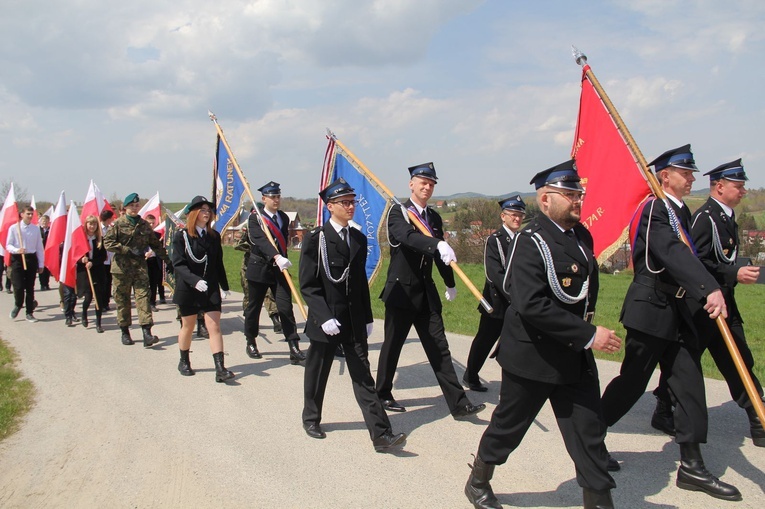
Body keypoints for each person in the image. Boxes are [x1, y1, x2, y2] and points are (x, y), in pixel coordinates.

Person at [465, 160, 620, 509]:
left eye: (579, 193)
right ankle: (478, 480)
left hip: (574, 358)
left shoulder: (582, 237)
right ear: (546, 199)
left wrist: (584, 335)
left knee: (588, 434)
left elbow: (582, 293)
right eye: (569, 194)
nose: (577, 200)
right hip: (532, 357)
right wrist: (588, 333)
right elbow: (530, 303)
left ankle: (599, 502)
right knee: (508, 427)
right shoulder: (530, 241)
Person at [600, 145, 741, 501]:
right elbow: (672, 254)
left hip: (678, 314)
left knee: (690, 384)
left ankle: (692, 467)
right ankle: (590, 436)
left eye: (691, 172)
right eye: (685, 172)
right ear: (665, 176)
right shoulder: (655, 210)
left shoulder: (678, 211)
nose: (692, 177)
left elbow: (691, 259)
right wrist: (708, 288)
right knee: (632, 382)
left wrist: (712, 284)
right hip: (651, 309)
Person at [649, 158, 764, 447]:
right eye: (739, 186)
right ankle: (664, 408)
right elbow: (694, 264)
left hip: (724, 303)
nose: (744, 192)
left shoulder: (726, 218)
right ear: (720, 186)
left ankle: (757, 419)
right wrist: (732, 271)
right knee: (685, 366)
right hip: (702, 308)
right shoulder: (706, 218)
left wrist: (733, 273)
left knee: (739, 360)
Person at [299, 178, 406, 451]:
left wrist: (367, 317)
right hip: (326, 321)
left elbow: (359, 283)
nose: (351, 207)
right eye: (344, 202)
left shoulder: (357, 237)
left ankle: (381, 435)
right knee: (318, 371)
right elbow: (308, 286)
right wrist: (324, 317)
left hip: (353, 319)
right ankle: (311, 417)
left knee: (363, 377)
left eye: (352, 202)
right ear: (330, 206)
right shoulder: (316, 240)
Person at [376, 162, 484, 418]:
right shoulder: (398, 212)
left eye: (431, 184)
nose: (427, 187)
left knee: (439, 347)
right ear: (411, 184)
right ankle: (382, 393)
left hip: (426, 292)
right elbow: (407, 238)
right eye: (423, 182)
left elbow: (442, 256)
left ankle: (459, 404)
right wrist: (436, 244)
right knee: (392, 346)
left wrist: (450, 282)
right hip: (401, 291)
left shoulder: (433, 217)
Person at [463, 195, 525, 392]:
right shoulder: (495, 240)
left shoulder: (524, 240)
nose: (517, 219)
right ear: (503, 216)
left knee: (516, 343)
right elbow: (494, 274)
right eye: (513, 215)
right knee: (485, 341)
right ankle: (471, 375)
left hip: (519, 302)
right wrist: (513, 294)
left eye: (520, 215)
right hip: (497, 302)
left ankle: (515, 382)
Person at [171, 196, 234, 383]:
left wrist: (224, 286)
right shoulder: (181, 237)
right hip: (188, 288)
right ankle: (184, 361)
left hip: (209, 287)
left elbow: (217, 263)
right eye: (203, 210)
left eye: (209, 210)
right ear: (194, 213)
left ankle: (220, 368)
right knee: (188, 327)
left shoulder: (213, 237)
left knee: (214, 326)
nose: (207, 214)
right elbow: (178, 264)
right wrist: (194, 281)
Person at [243, 181, 305, 364]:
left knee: (285, 307)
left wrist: (283, 258)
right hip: (259, 268)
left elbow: (282, 241)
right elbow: (260, 241)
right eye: (272, 197)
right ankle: (251, 341)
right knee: (254, 308)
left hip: (279, 271)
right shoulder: (255, 218)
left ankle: (293, 346)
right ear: (264, 199)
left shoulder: (284, 218)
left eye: (278, 196)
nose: (276, 200)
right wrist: (276, 256)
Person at [103, 193, 168, 347]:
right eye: (131, 206)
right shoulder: (118, 224)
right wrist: (125, 250)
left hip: (140, 269)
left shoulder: (144, 225)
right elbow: (108, 243)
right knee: (123, 301)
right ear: (125, 208)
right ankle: (125, 331)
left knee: (143, 299)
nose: (134, 208)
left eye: (136, 205)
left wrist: (168, 260)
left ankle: (147, 333)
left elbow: (155, 244)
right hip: (121, 270)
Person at [235, 218, 281, 332]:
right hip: (250, 264)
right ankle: (249, 320)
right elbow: (237, 244)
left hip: (268, 263)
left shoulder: (270, 225)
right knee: (250, 295)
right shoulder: (248, 227)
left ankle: (275, 319)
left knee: (269, 294)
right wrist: (254, 249)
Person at [6, 206, 44, 322]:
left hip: (31, 258)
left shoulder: (35, 229)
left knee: (30, 287)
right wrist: (17, 250)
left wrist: (41, 264)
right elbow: (8, 245)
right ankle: (18, 304)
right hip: (18, 258)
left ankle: (29, 312)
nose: (30, 216)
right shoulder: (14, 228)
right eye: (28, 214)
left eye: (31, 214)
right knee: (18, 286)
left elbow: (39, 247)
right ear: (22, 214)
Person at [76, 215, 108, 333]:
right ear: (86, 225)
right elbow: (75, 255)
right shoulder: (82, 239)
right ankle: (84, 314)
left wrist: (92, 263)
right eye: (90, 224)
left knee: (98, 297)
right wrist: (82, 260)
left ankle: (98, 323)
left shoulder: (100, 239)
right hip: (84, 272)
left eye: (94, 224)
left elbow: (103, 256)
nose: (92, 226)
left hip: (97, 270)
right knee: (88, 296)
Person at [144, 214, 166, 312]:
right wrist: (144, 253)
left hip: (155, 262)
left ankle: (152, 303)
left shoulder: (157, 235)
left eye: (153, 223)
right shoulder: (141, 235)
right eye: (149, 223)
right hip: (145, 262)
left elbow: (160, 249)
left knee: (153, 283)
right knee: (145, 284)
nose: (151, 225)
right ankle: (144, 303)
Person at [100, 209, 116, 310]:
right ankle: (101, 303)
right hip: (102, 260)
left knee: (109, 281)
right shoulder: (99, 229)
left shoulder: (111, 228)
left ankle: (106, 303)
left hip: (111, 259)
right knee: (103, 282)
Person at [38, 214, 52, 290]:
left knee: (47, 269)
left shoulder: (50, 230)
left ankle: (47, 283)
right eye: (43, 221)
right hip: (41, 251)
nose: (44, 223)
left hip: (48, 252)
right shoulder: (38, 230)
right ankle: (42, 284)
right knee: (41, 268)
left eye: (46, 221)